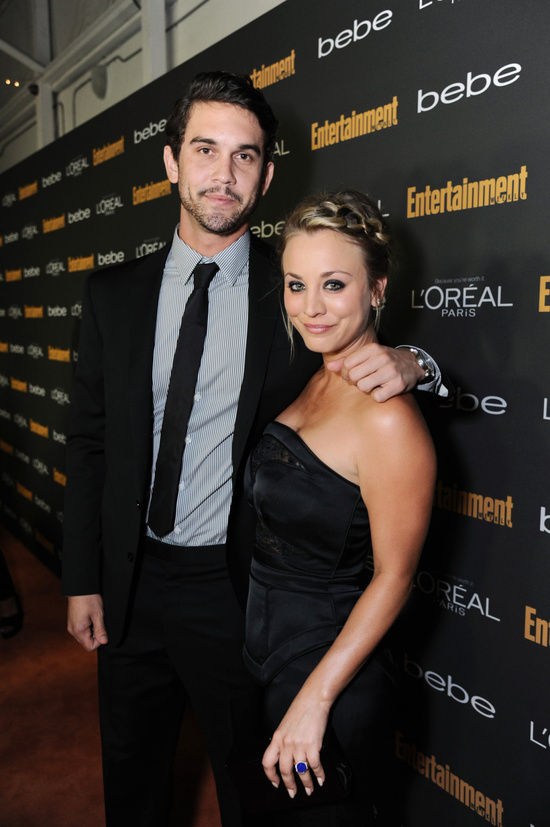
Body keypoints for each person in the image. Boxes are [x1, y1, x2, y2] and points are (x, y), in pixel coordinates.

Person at [62, 72, 444, 827]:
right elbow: (90, 440)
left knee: (254, 789)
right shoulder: (114, 295)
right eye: (205, 149)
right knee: (131, 778)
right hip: (129, 582)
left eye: (246, 156)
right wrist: (82, 577)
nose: (224, 173)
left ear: (268, 175)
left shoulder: (294, 289)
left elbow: (355, 342)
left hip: (237, 593)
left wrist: (418, 364)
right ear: (172, 162)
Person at [243, 190, 436, 825]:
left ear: (377, 289)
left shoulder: (387, 420)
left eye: (334, 284)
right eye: (296, 285)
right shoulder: (318, 372)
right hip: (270, 662)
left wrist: (314, 700)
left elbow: (395, 577)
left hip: (329, 681)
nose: (311, 308)